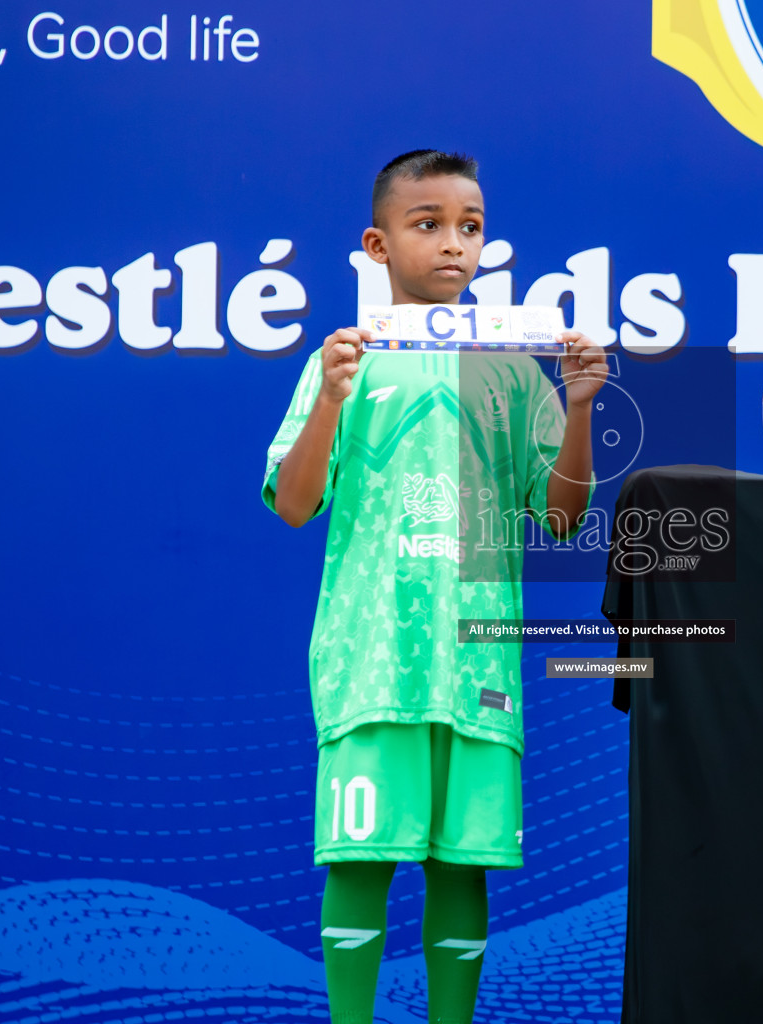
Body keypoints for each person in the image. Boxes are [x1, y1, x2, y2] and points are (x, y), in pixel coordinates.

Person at [261, 149, 607, 1024]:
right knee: (361, 858)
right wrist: (333, 401)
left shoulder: (513, 370)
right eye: (429, 225)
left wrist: (579, 409)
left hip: (477, 665)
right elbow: (294, 506)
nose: (454, 246)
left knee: (462, 862)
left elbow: (561, 518)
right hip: (371, 662)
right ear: (377, 245)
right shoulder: (344, 360)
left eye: (472, 227)